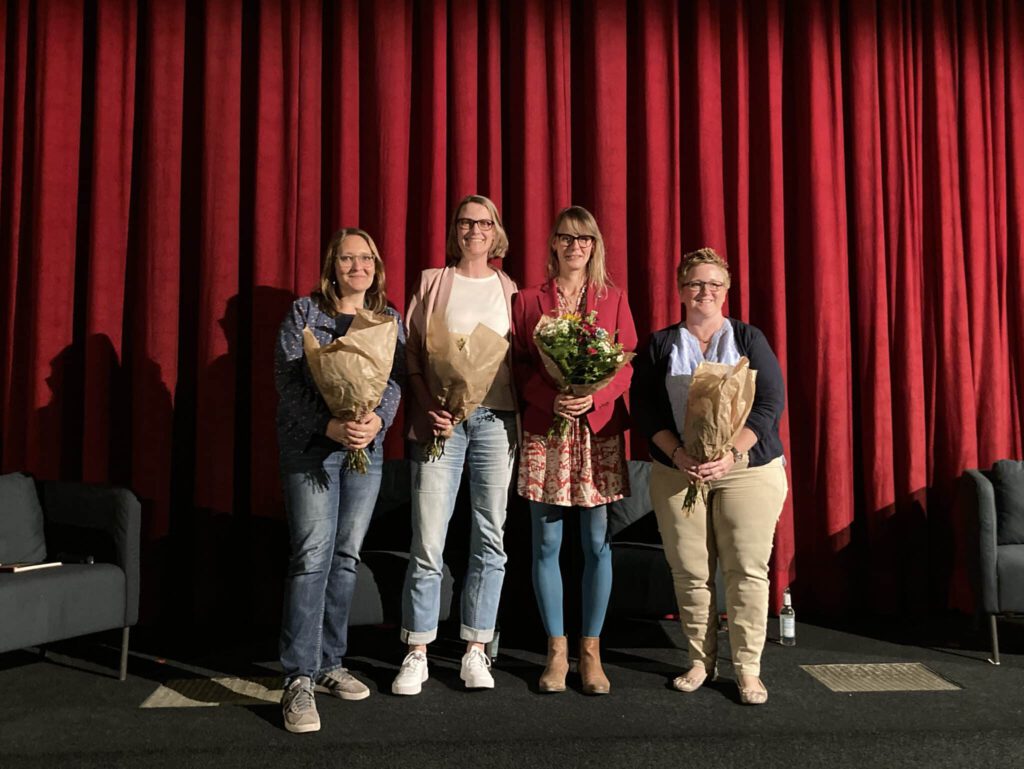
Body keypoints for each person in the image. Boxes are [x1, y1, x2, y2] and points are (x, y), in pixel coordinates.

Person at [631, 247, 788, 706]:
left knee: (745, 570)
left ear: (726, 291)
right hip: (678, 471)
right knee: (691, 572)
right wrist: (678, 454)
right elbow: (644, 410)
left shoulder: (748, 338)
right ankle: (700, 660)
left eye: (714, 284)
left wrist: (730, 455)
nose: (705, 291)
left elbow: (769, 404)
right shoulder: (659, 344)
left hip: (747, 471)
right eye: (696, 284)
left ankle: (748, 670)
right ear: (681, 290)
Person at [275, 228, 405, 733]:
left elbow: (393, 381)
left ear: (376, 265)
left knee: (346, 557)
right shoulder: (304, 314)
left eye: (366, 258)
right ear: (333, 266)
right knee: (312, 558)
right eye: (348, 258)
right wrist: (328, 424)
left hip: (363, 452)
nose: (358, 266)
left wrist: (379, 420)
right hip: (311, 451)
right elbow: (286, 383)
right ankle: (298, 679)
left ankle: (330, 663)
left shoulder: (387, 318)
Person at [392, 194, 518, 695]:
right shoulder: (431, 281)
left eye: (483, 223)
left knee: (491, 537)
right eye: (465, 222)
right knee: (428, 540)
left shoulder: (510, 289)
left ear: (495, 231)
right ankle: (417, 649)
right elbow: (415, 356)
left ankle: (475, 649)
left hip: (495, 420)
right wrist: (427, 407)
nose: (474, 230)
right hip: (440, 423)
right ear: (455, 230)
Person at [511, 206, 636, 695]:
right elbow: (518, 367)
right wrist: (553, 397)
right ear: (553, 244)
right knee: (545, 544)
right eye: (566, 237)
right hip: (548, 431)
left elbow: (626, 365)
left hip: (598, 433)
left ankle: (591, 652)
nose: (575, 246)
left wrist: (595, 396)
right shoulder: (527, 300)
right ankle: (556, 652)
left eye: (584, 239)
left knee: (596, 543)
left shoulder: (614, 298)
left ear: (594, 246)